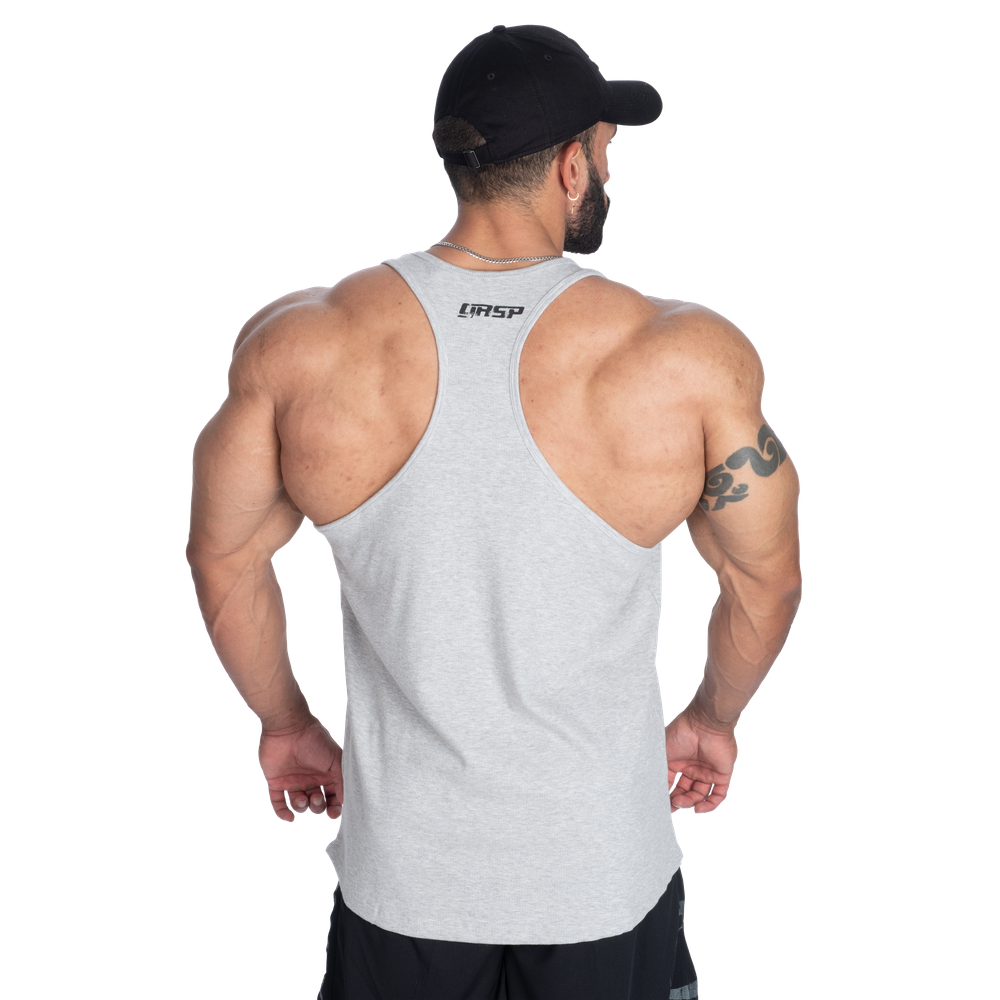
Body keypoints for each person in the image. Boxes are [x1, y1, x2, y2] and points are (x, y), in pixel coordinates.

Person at [184, 21, 803, 1000]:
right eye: (606, 151)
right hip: (602, 877)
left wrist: (286, 723)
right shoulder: (686, 356)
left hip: (402, 885)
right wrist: (709, 719)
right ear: (570, 166)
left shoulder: (300, 342)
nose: (607, 173)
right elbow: (766, 577)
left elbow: (221, 556)